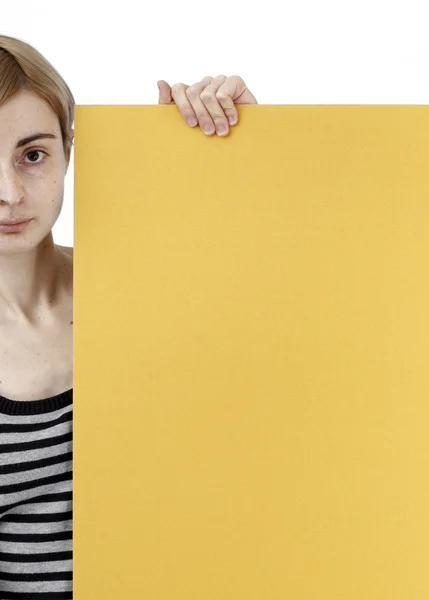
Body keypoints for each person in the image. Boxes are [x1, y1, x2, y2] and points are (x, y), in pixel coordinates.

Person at [0, 33, 257, 597]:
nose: (9, 192)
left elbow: (289, 334)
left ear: (69, 149)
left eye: (33, 155)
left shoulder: (152, 288)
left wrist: (241, 151)